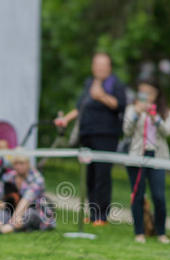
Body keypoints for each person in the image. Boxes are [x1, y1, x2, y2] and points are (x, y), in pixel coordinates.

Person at [54, 52, 127, 225]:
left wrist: (101, 96)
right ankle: (93, 213)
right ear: (93, 67)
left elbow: (120, 105)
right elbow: (80, 107)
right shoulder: (89, 83)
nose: (100, 68)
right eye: (97, 65)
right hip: (87, 134)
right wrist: (66, 119)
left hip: (106, 135)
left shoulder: (115, 83)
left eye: (103, 65)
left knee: (102, 174)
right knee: (90, 176)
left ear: (109, 67)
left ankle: (102, 215)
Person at [122, 78, 170, 244]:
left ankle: (161, 231)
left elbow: (167, 132)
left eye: (149, 92)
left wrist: (156, 118)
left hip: (157, 157)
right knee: (137, 195)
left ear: (156, 94)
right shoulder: (132, 109)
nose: (146, 96)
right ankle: (139, 231)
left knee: (159, 196)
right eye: (142, 92)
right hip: (138, 156)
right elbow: (127, 131)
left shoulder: (165, 111)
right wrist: (136, 114)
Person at [0, 153, 56, 233]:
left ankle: (5, 229)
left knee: (28, 214)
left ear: (28, 164)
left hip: (36, 210)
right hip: (13, 209)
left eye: (21, 163)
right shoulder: (8, 177)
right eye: (16, 164)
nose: (18, 166)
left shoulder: (37, 179)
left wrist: (16, 216)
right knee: (4, 211)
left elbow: (26, 200)